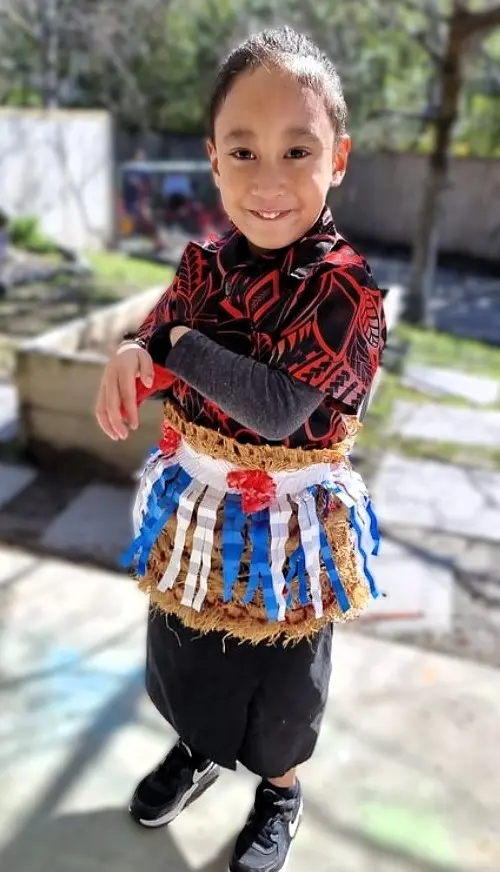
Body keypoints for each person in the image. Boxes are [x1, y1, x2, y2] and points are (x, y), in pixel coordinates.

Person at [95, 26, 386, 872]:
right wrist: (133, 351)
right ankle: (199, 748)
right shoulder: (206, 263)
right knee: (187, 647)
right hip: (196, 513)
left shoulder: (344, 290)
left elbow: (276, 408)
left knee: (282, 675)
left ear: (338, 159)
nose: (268, 179)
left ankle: (280, 788)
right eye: (244, 150)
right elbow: (156, 333)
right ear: (213, 161)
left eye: (297, 149)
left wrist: (176, 344)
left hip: (289, 528)